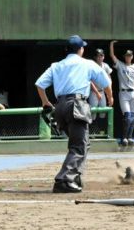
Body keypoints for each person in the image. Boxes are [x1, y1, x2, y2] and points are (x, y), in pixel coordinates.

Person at [35, 35, 113, 193]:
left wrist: (45, 102)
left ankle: (75, 177)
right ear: (80, 49)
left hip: (60, 107)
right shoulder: (86, 63)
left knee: (83, 144)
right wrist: (110, 97)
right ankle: (62, 180)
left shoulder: (56, 65)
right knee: (79, 146)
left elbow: (40, 84)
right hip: (77, 104)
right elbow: (106, 82)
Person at [109, 40, 134, 146]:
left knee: (133, 117)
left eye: (130, 55)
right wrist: (112, 44)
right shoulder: (121, 65)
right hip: (123, 93)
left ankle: (130, 137)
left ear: (132, 56)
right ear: (125, 56)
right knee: (127, 116)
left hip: (133, 93)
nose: (128, 57)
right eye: (127, 55)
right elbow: (112, 55)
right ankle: (124, 137)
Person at [89, 48, 113, 127]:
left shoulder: (105, 66)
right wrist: (97, 92)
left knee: (103, 112)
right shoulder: (92, 65)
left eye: (101, 55)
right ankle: (93, 132)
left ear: (104, 56)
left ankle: (101, 131)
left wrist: (109, 94)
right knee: (93, 113)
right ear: (95, 57)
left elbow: (109, 80)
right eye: (98, 56)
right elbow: (90, 81)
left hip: (102, 91)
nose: (100, 57)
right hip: (93, 92)